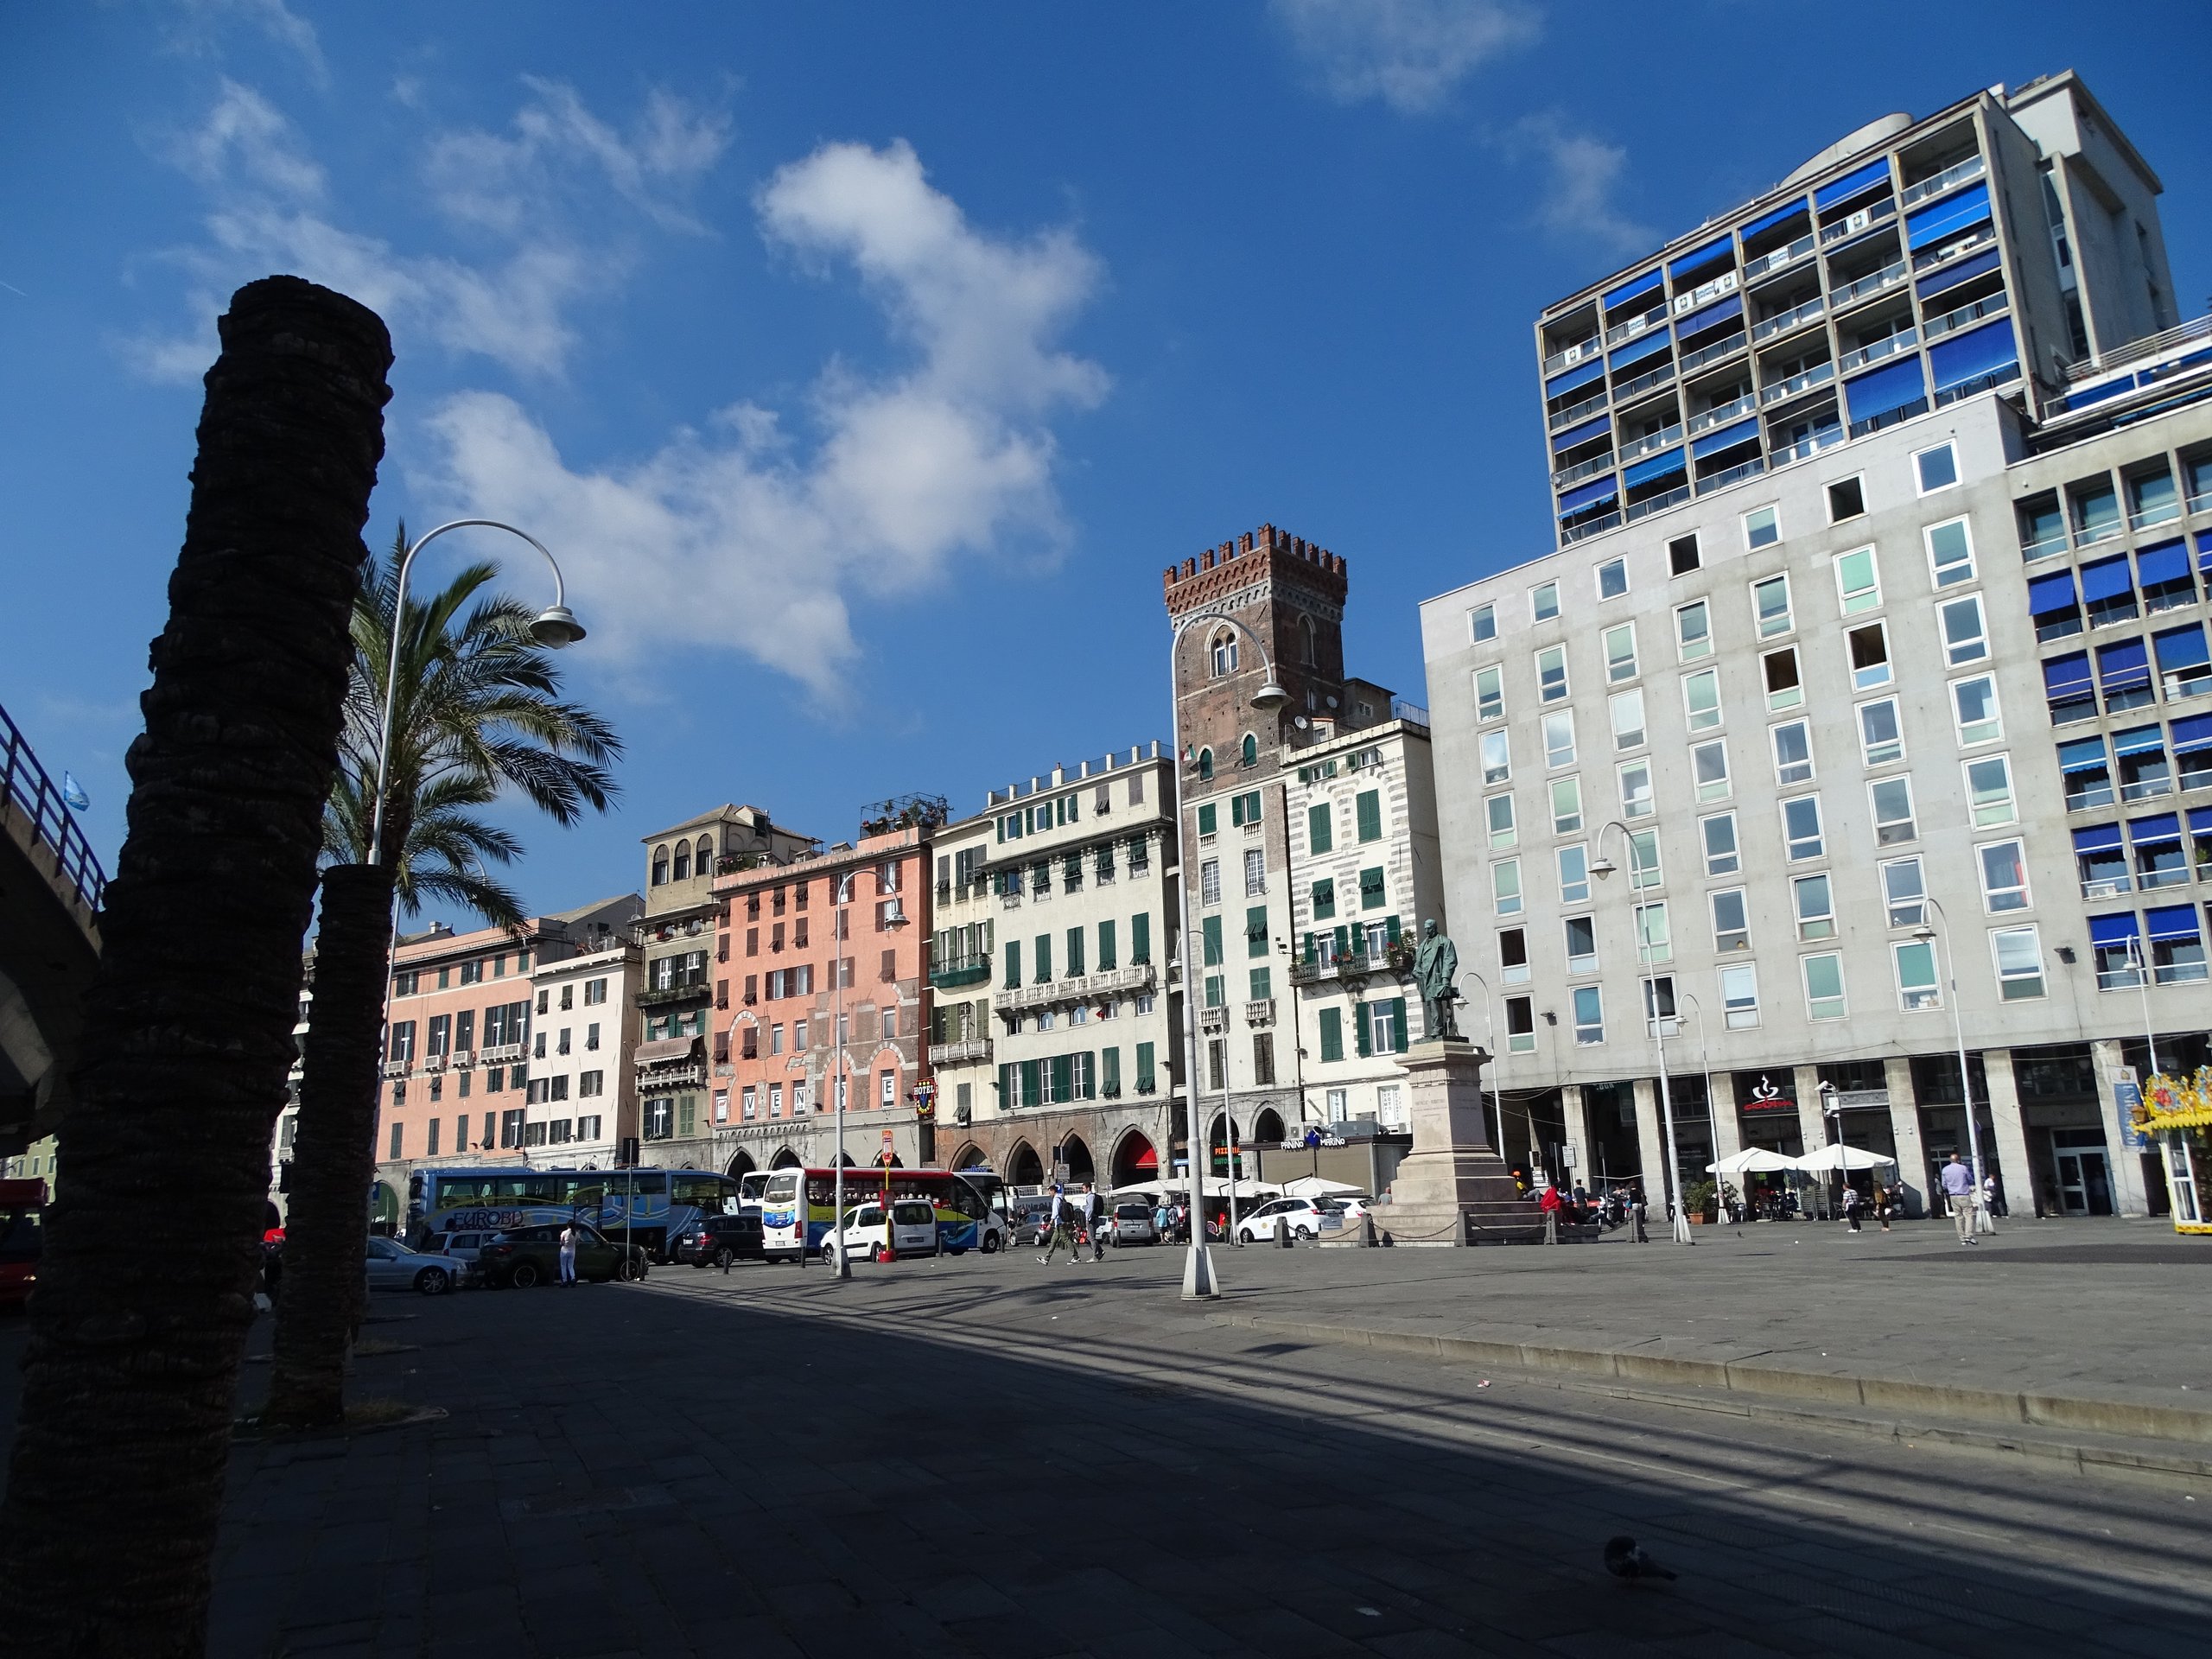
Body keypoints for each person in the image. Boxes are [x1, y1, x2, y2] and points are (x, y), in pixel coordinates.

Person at [1941, 1153, 1979, 1246]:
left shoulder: (1945, 1170)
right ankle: (1968, 1236)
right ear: (1958, 1160)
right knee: (1968, 1215)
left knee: (1958, 1217)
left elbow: (1944, 1185)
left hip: (1953, 1196)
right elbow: (1970, 1179)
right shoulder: (1963, 1168)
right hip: (1964, 1194)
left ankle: (1962, 1238)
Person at [1038, 1182, 1079, 1264]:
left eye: (1050, 1192)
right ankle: (1047, 1258)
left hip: (1060, 1223)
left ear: (1053, 1191)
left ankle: (1076, 1257)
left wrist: (1050, 1224)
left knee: (1066, 1239)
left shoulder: (1056, 1200)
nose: (1049, 1194)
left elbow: (1055, 1213)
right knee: (1053, 1240)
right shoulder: (1061, 1198)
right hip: (1061, 1223)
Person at [558, 1221, 579, 1285]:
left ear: (568, 1225)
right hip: (572, 1251)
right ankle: (573, 1278)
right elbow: (577, 1243)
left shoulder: (564, 1232)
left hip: (564, 1250)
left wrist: (563, 1243)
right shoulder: (577, 1233)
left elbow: (561, 1242)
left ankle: (564, 1281)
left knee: (563, 1266)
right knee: (571, 1266)